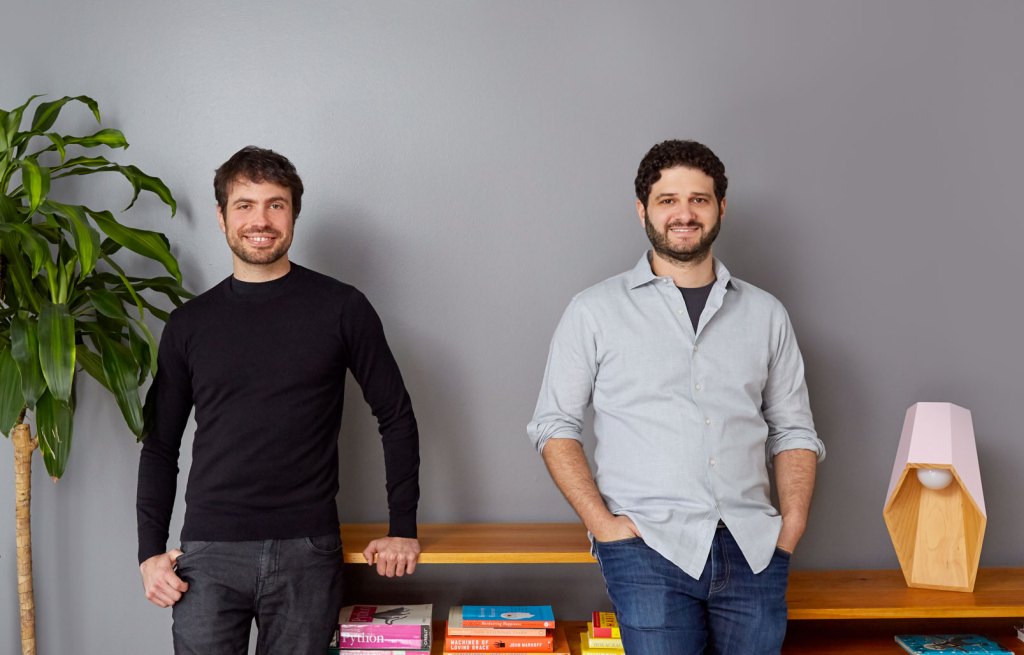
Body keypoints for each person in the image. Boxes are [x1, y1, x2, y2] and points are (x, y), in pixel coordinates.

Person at [527, 140, 825, 655]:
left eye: (698, 200)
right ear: (642, 209)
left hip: (754, 547)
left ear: (720, 208)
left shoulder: (766, 313)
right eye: (667, 200)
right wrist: (603, 526)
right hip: (646, 547)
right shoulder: (593, 311)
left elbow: (794, 429)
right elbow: (554, 425)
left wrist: (791, 527)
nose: (684, 214)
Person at [137, 146, 421, 655]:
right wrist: (148, 553)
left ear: (293, 214)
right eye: (244, 205)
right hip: (208, 553)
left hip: (306, 551)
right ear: (222, 216)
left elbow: (396, 415)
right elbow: (160, 444)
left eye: (276, 204)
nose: (260, 220)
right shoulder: (189, 325)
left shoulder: (342, 308)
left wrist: (403, 528)